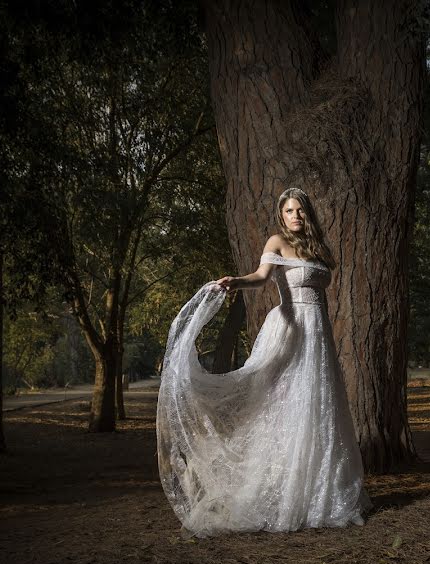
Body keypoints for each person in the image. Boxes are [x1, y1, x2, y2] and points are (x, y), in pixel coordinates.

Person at [156, 187, 372, 538]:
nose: (295, 216)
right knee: (287, 404)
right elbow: (260, 277)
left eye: (300, 210)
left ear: (308, 214)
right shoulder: (276, 242)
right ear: (281, 215)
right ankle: (285, 490)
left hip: (319, 335)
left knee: (321, 407)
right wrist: (235, 282)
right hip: (292, 328)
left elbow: (321, 292)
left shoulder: (319, 248)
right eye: (289, 211)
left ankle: (321, 493)